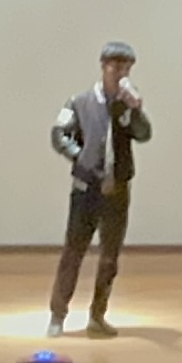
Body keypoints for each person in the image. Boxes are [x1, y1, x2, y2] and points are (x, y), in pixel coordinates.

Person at [45, 41, 153, 339]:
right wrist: (80, 157)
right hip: (86, 190)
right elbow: (59, 134)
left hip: (117, 191)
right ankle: (57, 315)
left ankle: (97, 315)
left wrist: (136, 110)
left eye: (126, 68)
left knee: (109, 257)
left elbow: (144, 134)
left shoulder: (126, 105)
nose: (121, 74)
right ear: (104, 66)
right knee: (73, 253)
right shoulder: (79, 102)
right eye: (116, 67)